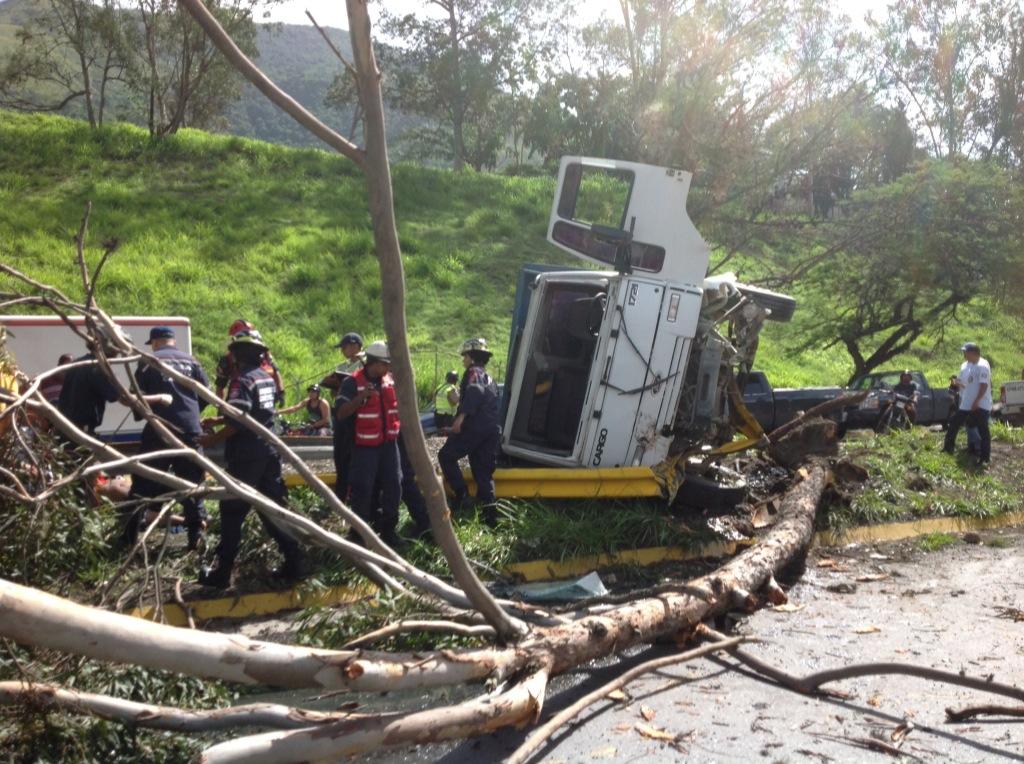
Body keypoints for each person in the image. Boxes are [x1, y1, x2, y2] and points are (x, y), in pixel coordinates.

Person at [197, 330, 304, 588]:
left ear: (238, 356)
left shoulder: (241, 381)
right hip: (269, 451)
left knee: (232, 510)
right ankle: (296, 563)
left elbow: (240, 421)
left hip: (247, 455)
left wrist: (211, 439)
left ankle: (222, 574)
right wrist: (219, 419)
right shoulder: (264, 378)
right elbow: (256, 413)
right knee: (273, 509)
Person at [126, 327, 210, 550]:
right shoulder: (193, 362)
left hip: (159, 429)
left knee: (143, 480)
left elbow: (136, 397)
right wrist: (190, 415)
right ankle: (197, 539)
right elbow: (206, 395)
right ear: (172, 341)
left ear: (155, 342)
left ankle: (127, 538)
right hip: (190, 432)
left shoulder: (148, 361)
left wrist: (145, 415)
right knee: (192, 484)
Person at [334, 340, 402, 546]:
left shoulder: (389, 381)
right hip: (364, 448)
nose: (388, 368)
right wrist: (361, 398)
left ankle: (389, 530)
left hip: (389, 446)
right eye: (385, 364)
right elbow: (341, 413)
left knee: (394, 485)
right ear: (374, 363)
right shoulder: (352, 383)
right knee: (362, 488)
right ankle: (359, 533)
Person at [438, 337, 501, 526]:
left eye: (464, 356)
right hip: (491, 430)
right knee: (482, 471)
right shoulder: (489, 377)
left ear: (472, 357)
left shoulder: (472, 373)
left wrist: (459, 419)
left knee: (446, 455)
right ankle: (490, 516)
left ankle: (462, 495)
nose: (463, 360)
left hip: (474, 427)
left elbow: (475, 392)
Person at [320, 332, 364, 502]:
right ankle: (341, 494)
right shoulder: (343, 366)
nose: (342, 351)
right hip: (341, 415)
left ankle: (354, 495)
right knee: (340, 455)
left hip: (357, 416)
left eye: (344, 347)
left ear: (355, 346)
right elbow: (334, 394)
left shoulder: (366, 363)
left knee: (355, 457)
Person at [214, 319, 285, 405]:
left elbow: (276, 372)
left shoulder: (265, 353)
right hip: (243, 394)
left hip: (261, 393)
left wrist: (281, 393)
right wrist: (220, 405)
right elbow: (220, 386)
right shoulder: (227, 359)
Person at [944, 342, 992, 465]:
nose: (964, 354)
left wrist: (977, 401)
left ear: (973, 353)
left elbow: (984, 386)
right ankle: (948, 449)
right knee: (954, 423)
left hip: (980, 404)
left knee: (983, 431)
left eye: (965, 352)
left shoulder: (983, 365)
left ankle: (984, 458)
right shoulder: (966, 365)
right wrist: (956, 382)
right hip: (966, 404)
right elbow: (964, 383)